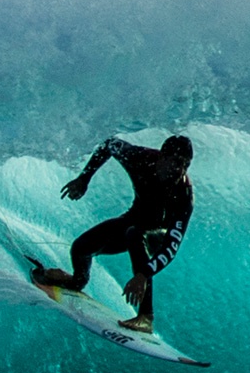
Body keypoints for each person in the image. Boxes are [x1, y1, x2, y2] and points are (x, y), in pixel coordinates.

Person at [39, 133, 193, 333]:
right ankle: (76, 281)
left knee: (135, 234)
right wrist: (84, 178)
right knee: (81, 248)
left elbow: (172, 247)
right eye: (177, 162)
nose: (181, 170)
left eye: (186, 165)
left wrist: (143, 274)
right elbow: (109, 144)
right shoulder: (140, 157)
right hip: (133, 221)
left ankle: (146, 317)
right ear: (162, 156)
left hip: (158, 237)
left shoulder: (184, 194)